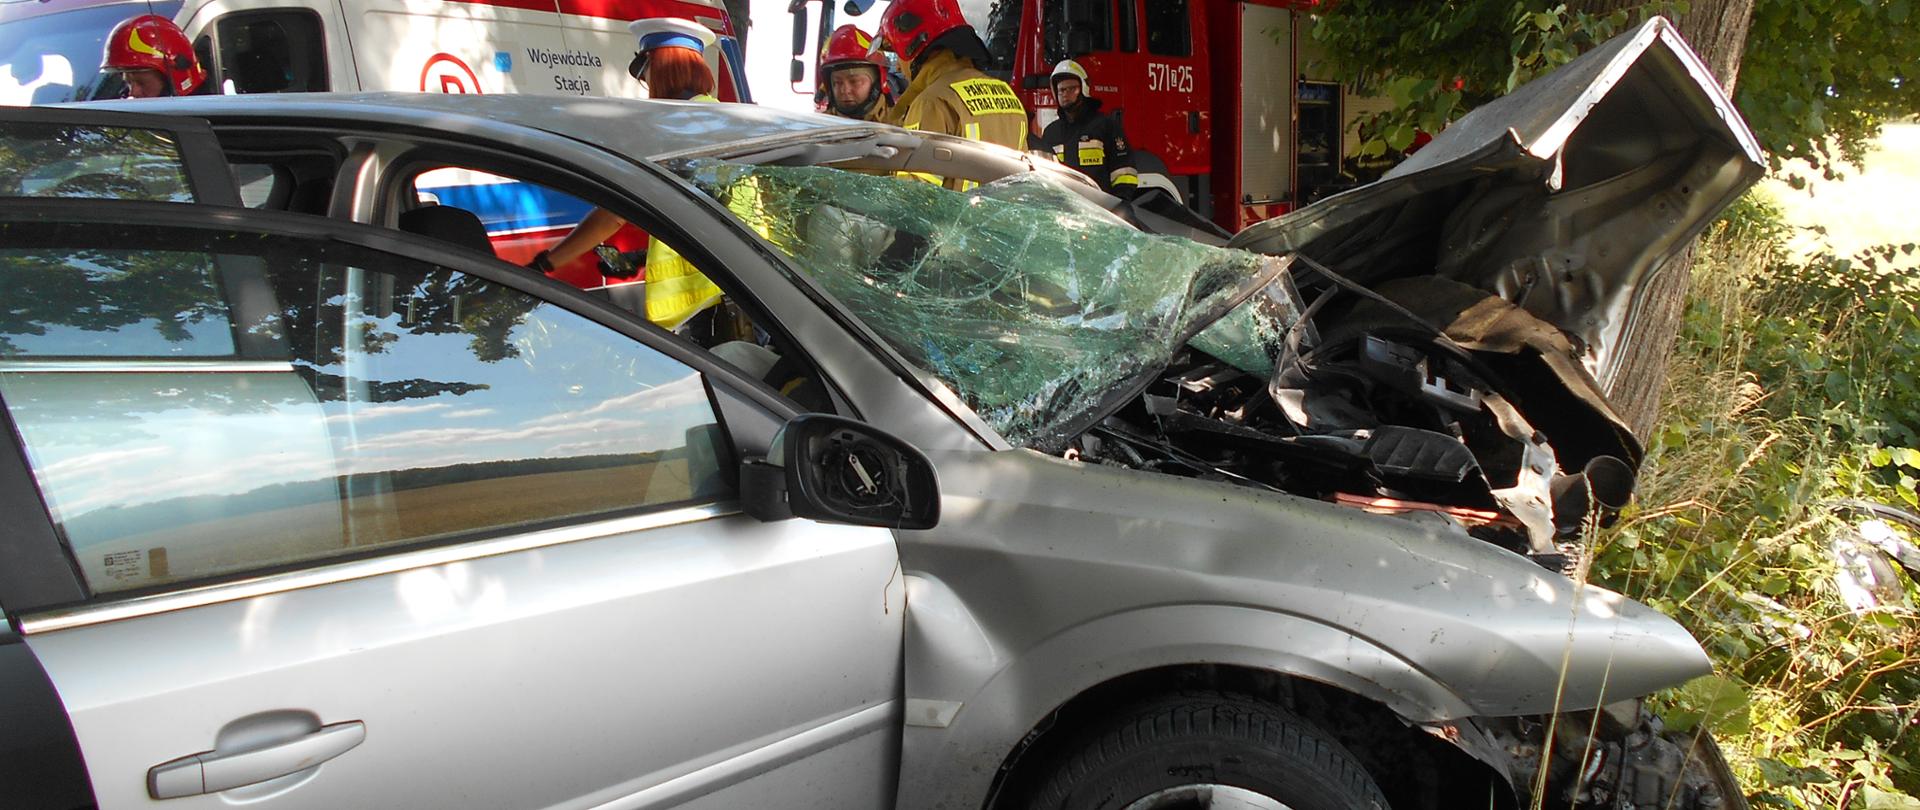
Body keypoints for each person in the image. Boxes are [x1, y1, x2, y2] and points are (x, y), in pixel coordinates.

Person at [530, 17, 726, 330]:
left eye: (647, 74)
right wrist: (639, 257)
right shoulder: (726, 118)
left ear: (664, 68)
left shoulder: (668, 128)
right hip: (736, 297)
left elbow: (612, 215)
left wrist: (545, 262)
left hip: (695, 310)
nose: (648, 86)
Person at [873, 0, 1026, 188]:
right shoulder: (1007, 94)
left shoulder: (931, 102)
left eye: (898, 54)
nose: (897, 66)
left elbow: (913, 196)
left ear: (915, 47)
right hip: (1001, 216)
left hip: (955, 217)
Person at [1037, 60, 1138, 199]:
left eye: (1072, 89)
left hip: (1101, 208)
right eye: (1061, 90)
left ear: (1083, 89)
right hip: (1065, 210)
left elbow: (1125, 172)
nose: (1065, 94)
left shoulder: (1105, 126)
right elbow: (1044, 177)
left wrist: (1119, 204)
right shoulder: (1051, 133)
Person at [98, 15, 207, 99]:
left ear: (174, 81)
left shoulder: (213, 122)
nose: (133, 93)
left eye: (142, 83)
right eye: (128, 83)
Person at [818, 25, 889, 122]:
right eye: (837, 83)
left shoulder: (901, 124)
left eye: (854, 81)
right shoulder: (819, 127)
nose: (845, 90)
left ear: (878, 83)